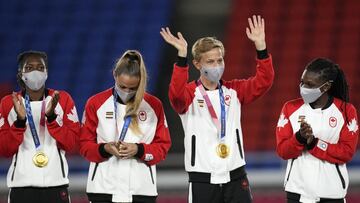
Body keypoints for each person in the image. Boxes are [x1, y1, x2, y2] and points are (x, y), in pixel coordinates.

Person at [160, 15, 274, 203]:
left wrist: (261, 47)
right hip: (202, 179)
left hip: (236, 176)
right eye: (210, 62)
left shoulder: (234, 90)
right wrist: (181, 58)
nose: (217, 66)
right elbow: (176, 96)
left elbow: (264, 81)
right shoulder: (189, 95)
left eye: (220, 60)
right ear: (197, 64)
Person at [80, 50, 171, 203]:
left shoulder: (153, 106)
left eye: (132, 88)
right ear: (114, 75)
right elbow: (84, 146)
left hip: (141, 190)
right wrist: (105, 148)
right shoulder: (96, 103)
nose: (127, 92)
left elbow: (162, 147)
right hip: (103, 188)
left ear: (140, 82)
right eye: (122, 86)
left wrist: (139, 150)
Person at [0, 50, 80, 203]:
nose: (36, 72)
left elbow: (72, 144)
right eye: (29, 68)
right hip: (21, 188)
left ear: (47, 73)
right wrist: (20, 122)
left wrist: (51, 118)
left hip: (56, 186)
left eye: (40, 67)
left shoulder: (63, 100)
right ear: (21, 73)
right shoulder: (8, 103)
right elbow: (4, 150)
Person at [276, 58, 359, 203]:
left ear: (326, 86)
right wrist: (299, 138)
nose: (303, 87)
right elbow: (283, 151)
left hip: (332, 194)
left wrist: (314, 143)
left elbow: (347, 152)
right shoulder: (290, 108)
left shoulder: (346, 111)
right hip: (297, 192)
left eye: (310, 84)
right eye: (302, 82)